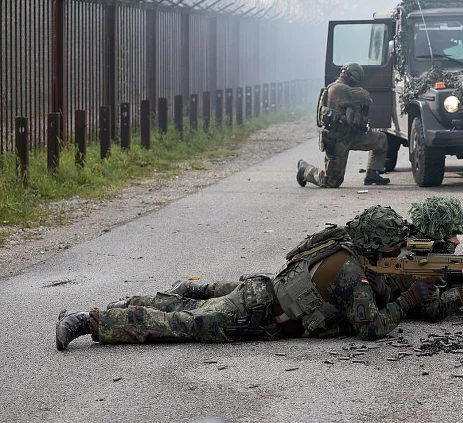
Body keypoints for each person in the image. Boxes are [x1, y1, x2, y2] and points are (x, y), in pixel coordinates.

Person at [55, 205, 438, 350]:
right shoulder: (350, 273)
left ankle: (125, 305)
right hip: (257, 315)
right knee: (183, 324)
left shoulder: (346, 242)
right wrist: (409, 301)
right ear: (378, 246)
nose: (395, 253)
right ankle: (90, 322)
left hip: (261, 296)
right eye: (392, 247)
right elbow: (370, 329)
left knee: (187, 308)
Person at [297, 62, 390, 188]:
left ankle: (372, 173)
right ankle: (305, 170)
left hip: (351, 135)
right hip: (337, 140)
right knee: (331, 181)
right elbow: (366, 97)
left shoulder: (341, 88)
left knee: (380, 139)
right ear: (352, 76)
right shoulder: (339, 89)